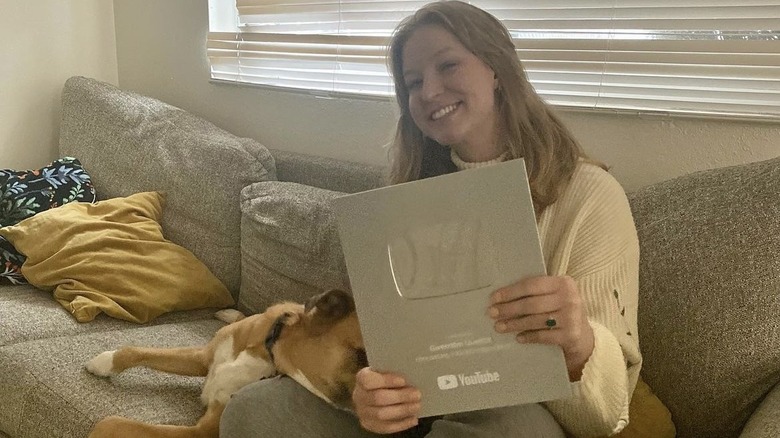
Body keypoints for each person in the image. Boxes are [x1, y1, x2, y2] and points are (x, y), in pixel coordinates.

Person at [221, 1, 648, 437]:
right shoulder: (402, 199)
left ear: (497, 68)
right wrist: (366, 391)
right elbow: (379, 351)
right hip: (416, 408)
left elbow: (606, 417)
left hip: (516, 415)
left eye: (448, 65)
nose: (429, 91)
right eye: (413, 81)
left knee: (511, 427)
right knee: (255, 410)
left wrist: (578, 344)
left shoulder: (591, 196)